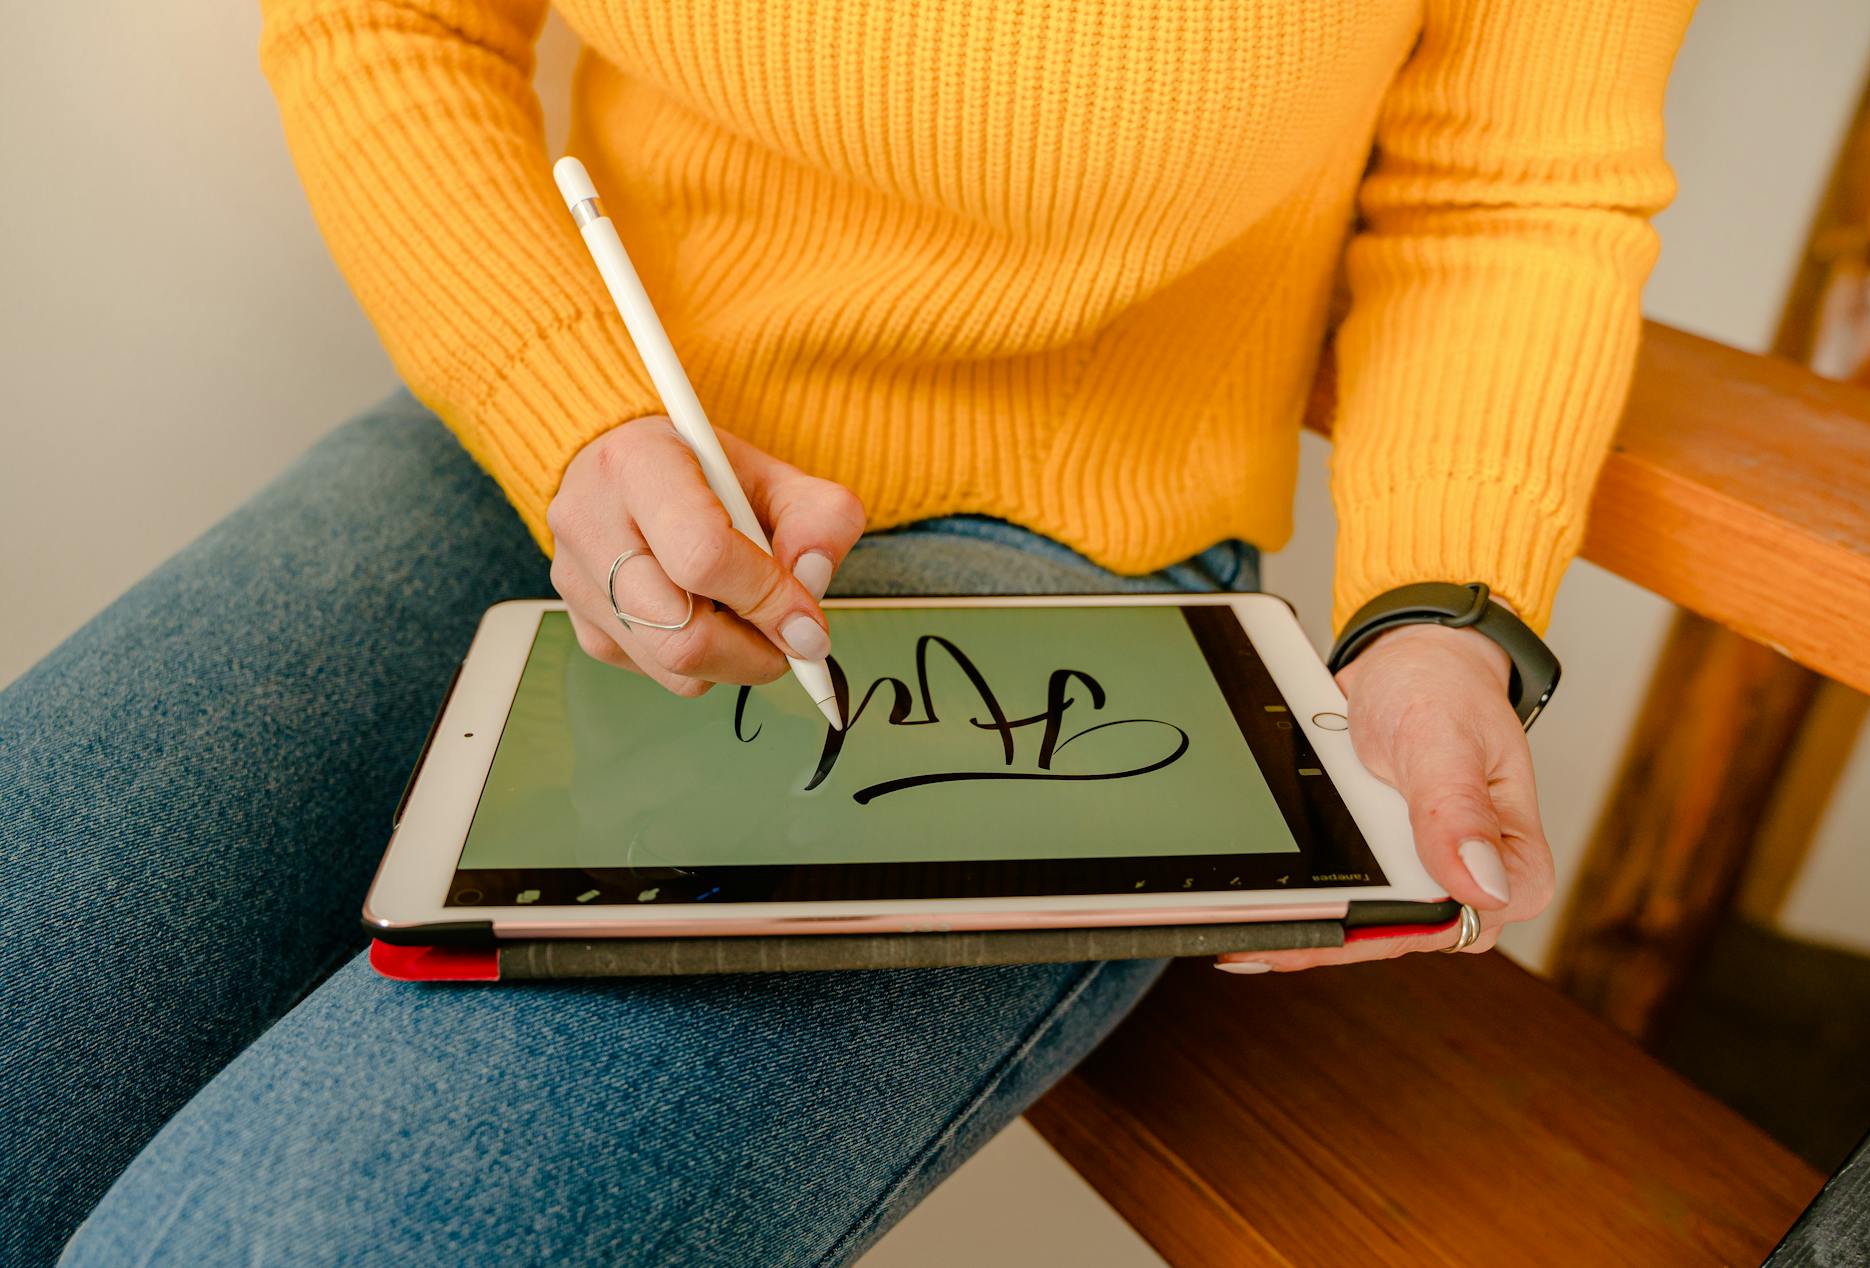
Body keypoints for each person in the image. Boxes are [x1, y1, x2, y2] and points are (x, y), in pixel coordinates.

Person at [0, 1, 1694, 1262]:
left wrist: (1445, 614)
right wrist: (566, 409)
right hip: (553, 418)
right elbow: (390, 21)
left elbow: (1512, 194)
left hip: (1071, 549)